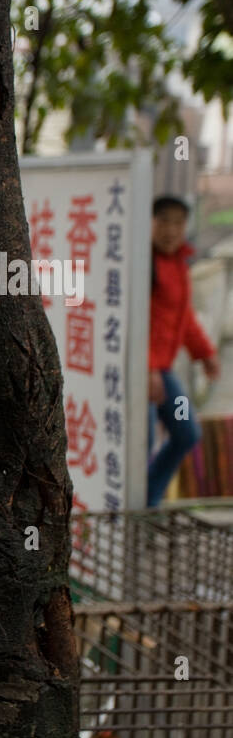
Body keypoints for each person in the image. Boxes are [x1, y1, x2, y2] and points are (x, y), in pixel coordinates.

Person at [147, 195, 221, 506]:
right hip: (140, 373)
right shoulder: (142, 262)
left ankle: (147, 504)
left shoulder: (178, 263)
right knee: (141, 444)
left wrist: (205, 354)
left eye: (178, 223)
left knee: (186, 433)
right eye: (163, 220)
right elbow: (132, 318)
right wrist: (146, 369)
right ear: (149, 222)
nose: (170, 230)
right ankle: (123, 519)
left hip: (162, 371)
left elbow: (184, 317)